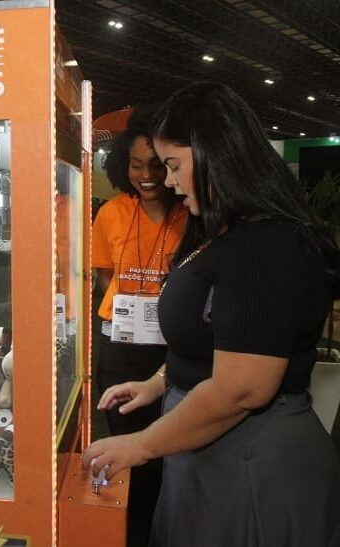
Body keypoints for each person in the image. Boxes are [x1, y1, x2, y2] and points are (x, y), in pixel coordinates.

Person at [83, 81, 340, 547]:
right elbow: (212, 333)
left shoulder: (264, 244)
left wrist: (140, 444)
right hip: (212, 446)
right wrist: (161, 381)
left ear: (214, 155)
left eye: (174, 165)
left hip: (249, 457)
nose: (169, 181)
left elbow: (242, 389)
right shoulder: (223, 231)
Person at [91, 104, 187, 545]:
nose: (146, 175)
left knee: (172, 446)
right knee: (127, 447)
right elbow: (105, 277)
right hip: (122, 346)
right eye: (135, 165)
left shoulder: (190, 213)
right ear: (121, 165)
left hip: (173, 345)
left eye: (156, 165)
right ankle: (132, 529)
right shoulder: (111, 213)